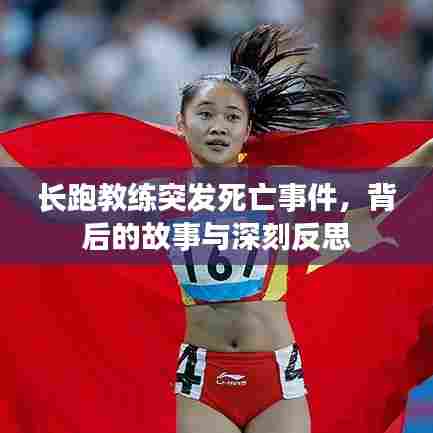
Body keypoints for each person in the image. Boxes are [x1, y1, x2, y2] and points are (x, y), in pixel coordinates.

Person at [0, 24, 433, 433]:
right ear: (181, 124)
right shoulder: (159, 195)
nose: (218, 127)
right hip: (202, 377)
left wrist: (428, 151)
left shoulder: (280, 186)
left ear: (247, 129)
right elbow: (54, 207)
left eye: (231, 117)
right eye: (205, 114)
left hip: (276, 377)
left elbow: (375, 192)